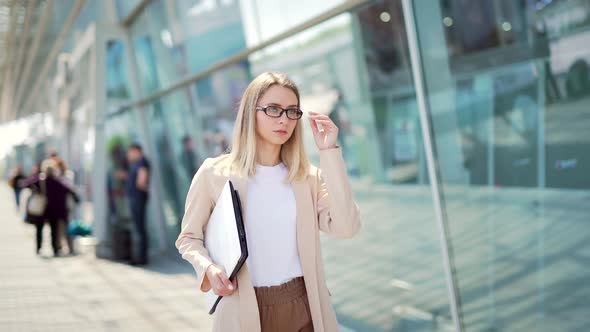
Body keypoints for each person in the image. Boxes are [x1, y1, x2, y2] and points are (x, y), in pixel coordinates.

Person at [176, 72, 361, 331]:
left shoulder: (306, 177)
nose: (284, 119)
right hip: (244, 306)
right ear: (251, 113)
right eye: (273, 109)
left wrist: (329, 152)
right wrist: (208, 268)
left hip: (306, 304)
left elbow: (346, 226)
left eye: (292, 111)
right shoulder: (214, 173)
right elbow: (189, 238)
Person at [21, 159, 79, 256]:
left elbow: (25, 184)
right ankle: (55, 249)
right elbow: (70, 190)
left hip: (42, 210)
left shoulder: (39, 180)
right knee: (54, 230)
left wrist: (36, 191)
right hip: (54, 211)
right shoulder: (58, 181)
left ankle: (38, 248)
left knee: (39, 230)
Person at [126, 143, 151, 265]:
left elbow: (141, 180)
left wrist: (140, 186)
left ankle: (141, 258)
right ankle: (140, 257)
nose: (128, 155)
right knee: (139, 228)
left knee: (139, 228)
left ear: (136, 151)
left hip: (138, 198)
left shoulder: (142, 163)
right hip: (137, 198)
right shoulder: (139, 162)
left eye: (130, 152)